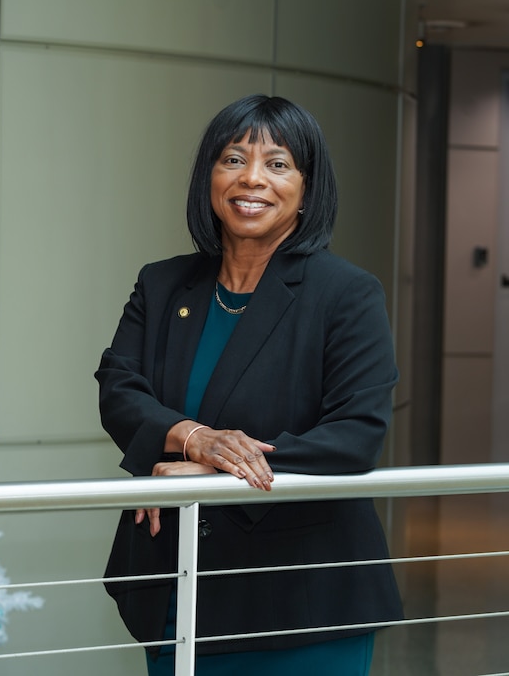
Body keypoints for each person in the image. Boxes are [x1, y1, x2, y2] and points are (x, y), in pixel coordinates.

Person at [95, 94, 403, 675]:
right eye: (233, 159)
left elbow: (355, 434)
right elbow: (119, 389)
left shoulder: (347, 294)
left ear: (307, 189)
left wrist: (217, 471)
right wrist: (191, 437)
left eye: (278, 163)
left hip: (302, 602)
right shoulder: (163, 285)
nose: (252, 179)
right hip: (177, 590)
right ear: (208, 177)